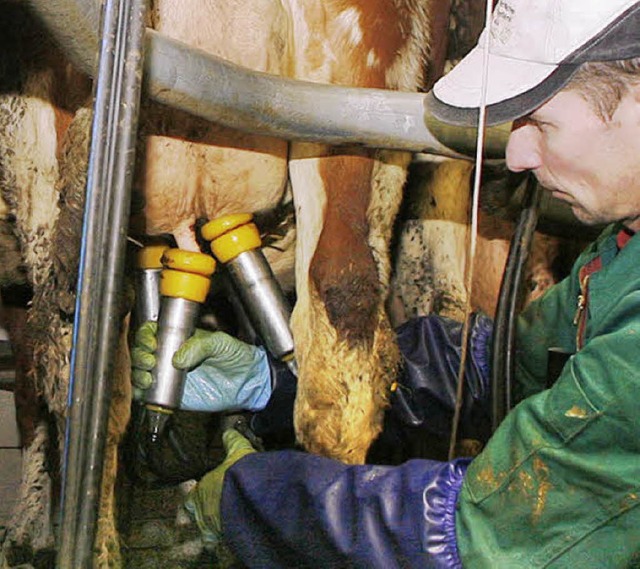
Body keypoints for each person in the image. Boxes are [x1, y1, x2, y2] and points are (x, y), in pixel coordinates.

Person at [131, 0, 640, 566]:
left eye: (541, 121)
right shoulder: (622, 255)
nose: (515, 155)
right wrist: (272, 382)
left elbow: (489, 534)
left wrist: (249, 499)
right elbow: (501, 366)